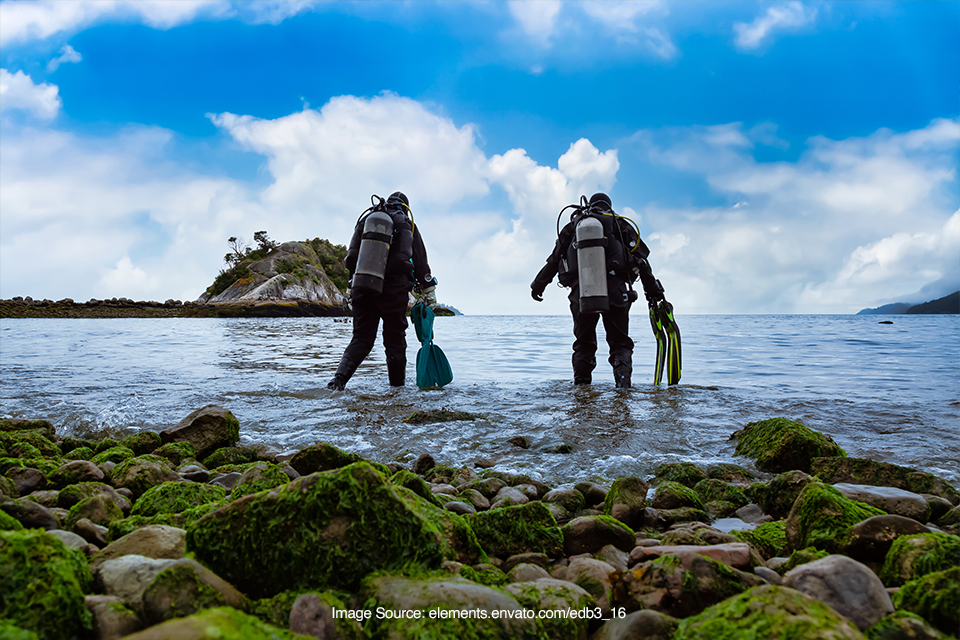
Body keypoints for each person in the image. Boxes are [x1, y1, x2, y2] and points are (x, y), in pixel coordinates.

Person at [530, 192, 665, 388]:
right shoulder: (619, 224)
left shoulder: (574, 227)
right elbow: (642, 261)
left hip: (582, 293)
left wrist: (538, 285)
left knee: (583, 344)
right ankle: (623, 389)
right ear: (608, 206)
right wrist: (653, 292)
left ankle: (582, 390)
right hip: (617, 293)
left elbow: (554, 260)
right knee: (620, 344)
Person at [327, 192, 437, 390]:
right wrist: (429, 291)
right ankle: (397, 391)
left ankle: (337, 382)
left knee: (361, 339)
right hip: (394, 291)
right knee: (394, 341)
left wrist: (352, 287)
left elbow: (351, 258)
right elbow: (419, 260)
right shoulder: (406, 223)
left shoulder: (368, 219)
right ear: (405, 207)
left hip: (363, 287)